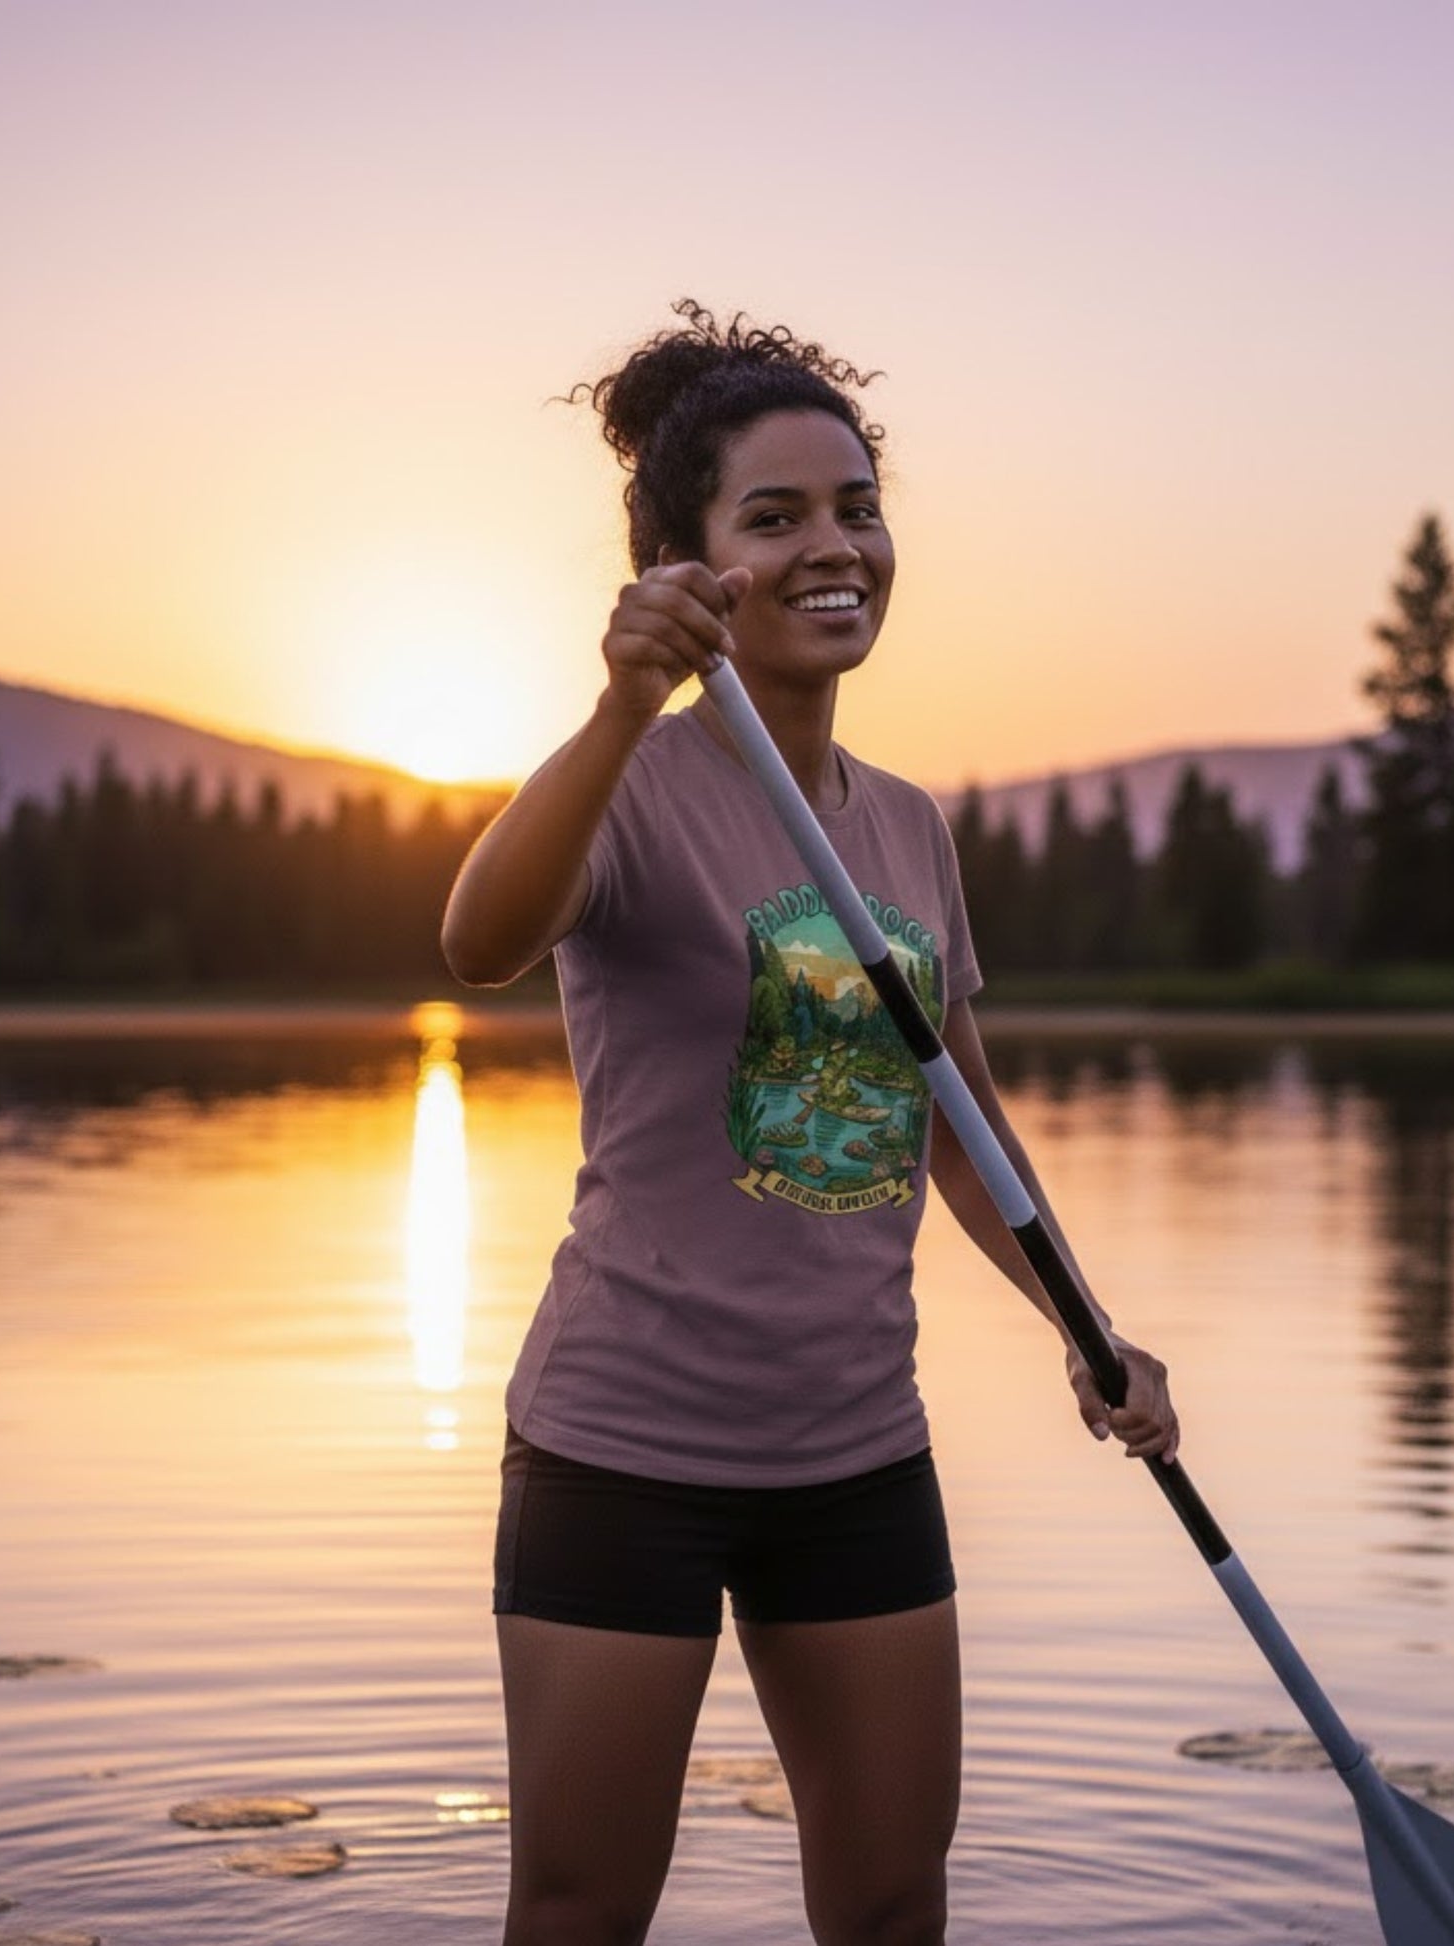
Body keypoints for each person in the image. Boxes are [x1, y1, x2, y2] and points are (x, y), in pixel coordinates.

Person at [441, 299, 1181, 1946]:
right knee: (575, 1910)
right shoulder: (628, 782)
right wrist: (622, 703)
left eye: (853, 506)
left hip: (854, 1456)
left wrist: (1088, 1328)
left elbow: (960, 1132)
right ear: (687, 568)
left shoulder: (907, 828)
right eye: (771, 518)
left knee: (889, 1901)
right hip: (622, 1448)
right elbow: (477, 942)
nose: (831, 546)